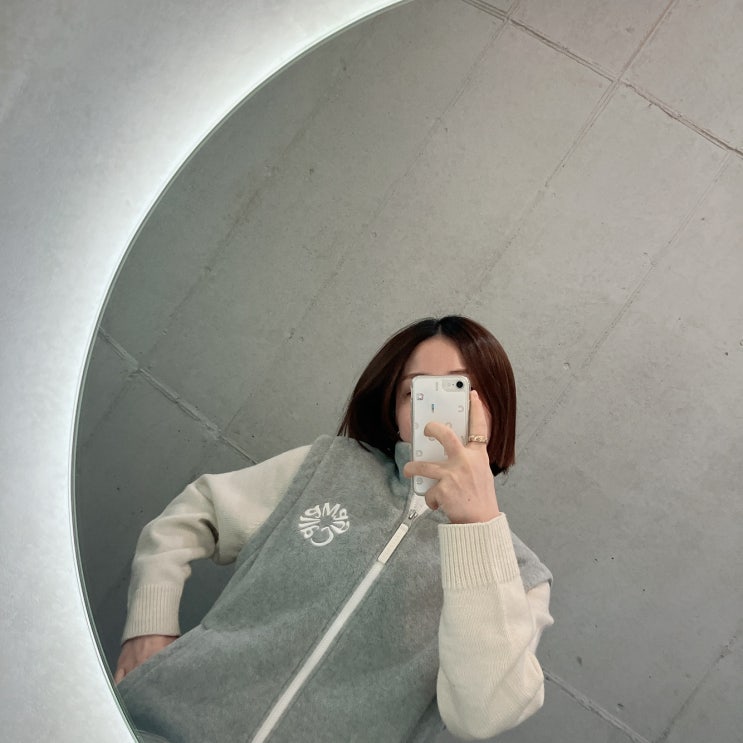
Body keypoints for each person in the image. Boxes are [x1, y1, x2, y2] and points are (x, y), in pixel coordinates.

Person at [115, 315, 553, 742]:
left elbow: (482, 715)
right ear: (394, 410)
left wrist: (477, 523)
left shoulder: (522, 576)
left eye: (458, 390)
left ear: (495, 406)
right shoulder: (329, 466)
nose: (434, 413)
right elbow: (193, 514)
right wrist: (148, 626)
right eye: (414, 392)